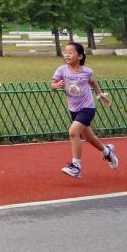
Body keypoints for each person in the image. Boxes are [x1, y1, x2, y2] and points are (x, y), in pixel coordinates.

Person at [51, 42, 119, 178]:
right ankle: (107, 151)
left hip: (87, 107)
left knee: (73, 132)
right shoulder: (62, 70)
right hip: (73, 109)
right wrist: (56, 85)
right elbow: (52, 85)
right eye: (65, 52)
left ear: (80, 56)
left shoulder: (87, 71)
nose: (67, 55)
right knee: (89, 138)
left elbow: (93, 83)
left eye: (71, 52)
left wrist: (100, 94)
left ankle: (76, 166)